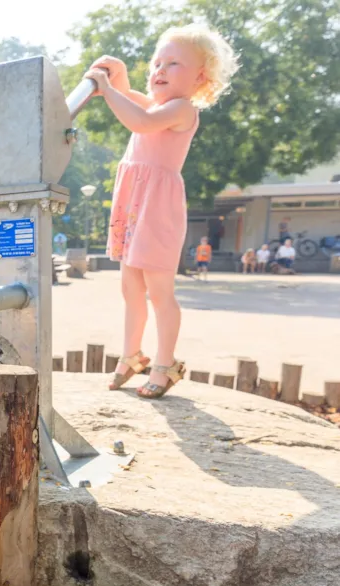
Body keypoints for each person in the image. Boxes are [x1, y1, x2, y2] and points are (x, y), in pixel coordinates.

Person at [85, 25, 238, 399]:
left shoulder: (182, 109)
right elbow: (139, 103)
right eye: (156, 62)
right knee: (130, 287)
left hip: (156, 210)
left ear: (200, 76)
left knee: (159, 291)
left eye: (173, 63)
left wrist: (106, 91)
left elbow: (140, 120)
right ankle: (132, 354)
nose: (160, 70)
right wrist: (119, 80)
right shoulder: (160, 105)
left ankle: (165, 363)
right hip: (135, 206)